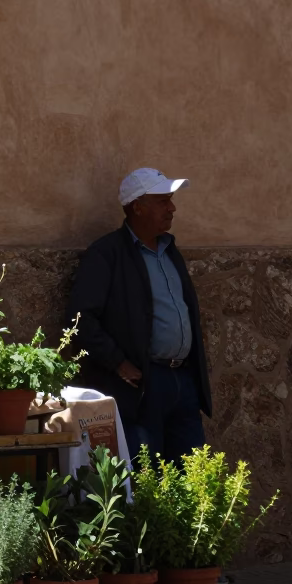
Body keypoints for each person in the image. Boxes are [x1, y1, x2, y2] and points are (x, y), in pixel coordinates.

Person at [66, 167, 212, 469]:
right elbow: (80, 319)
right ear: (138, 206)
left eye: (170, 200)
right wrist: (118, 362)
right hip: (144, 385)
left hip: (183, 381)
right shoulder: (107, 254)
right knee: (145, 473)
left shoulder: (170, 250)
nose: (172, 208)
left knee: (192, 475)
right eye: (162, 201)